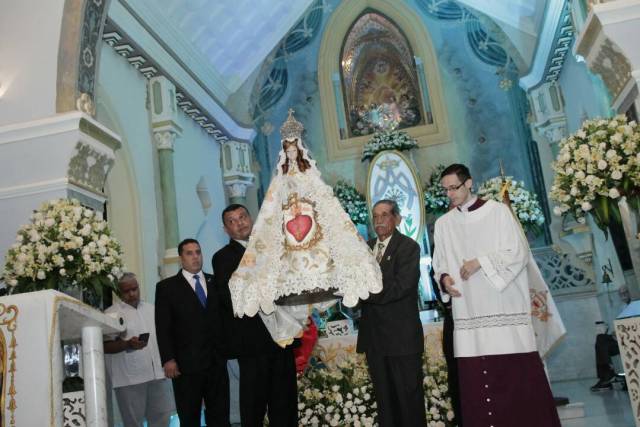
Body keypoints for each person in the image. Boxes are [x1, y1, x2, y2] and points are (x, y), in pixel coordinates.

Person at [229, 109, 381, 345]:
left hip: (308, 223)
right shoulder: (280, 179)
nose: (290, 154)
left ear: (299, 149)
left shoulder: (309, 175)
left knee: (326, 242)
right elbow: (272, 206)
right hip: (291, 225)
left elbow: (324, 199)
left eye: (293, 150)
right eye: (287, 151)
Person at [432, 163, 560, 427]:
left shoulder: (498, 212)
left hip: (503, 309)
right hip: (468, 312)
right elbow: (439, 263)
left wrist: (480, 262)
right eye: (445, 190)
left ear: (469, 183)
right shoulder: (444, 224)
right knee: (477, 387)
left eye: (454, 188)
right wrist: (444, 280)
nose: (450, 194)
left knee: (517, 386)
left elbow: (518, 253)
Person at [212, 204, 298, 427]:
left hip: (281, 338)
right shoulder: (223, 257)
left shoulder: (272, 248)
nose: (239, 223)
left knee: (285, 403)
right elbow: (228, 296)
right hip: (252, 343)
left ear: (251, 218)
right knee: (254, 406)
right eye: (232, 221)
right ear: (226, 229)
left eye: (242, 217)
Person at [356, 199, 426, 427]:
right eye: (375, 216)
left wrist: (364, 293)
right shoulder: (364, 249)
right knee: (385, 404)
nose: (379, 221)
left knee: (409, 402)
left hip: (402, 340)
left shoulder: (408, 248)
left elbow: (401, 287)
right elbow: (353, 284)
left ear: (396, 218)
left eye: (385, 215)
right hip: (375, 340)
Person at [155, 238, 229, 427]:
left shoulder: (215, 282)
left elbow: (224, 318)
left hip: (216, 363)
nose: (195, 257)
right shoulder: (167, 287)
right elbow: (163, 327)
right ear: (181, 258)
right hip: (186, 366)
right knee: (189, 417)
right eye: (189, 253)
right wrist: (168, 359)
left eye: (198, 252)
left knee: (220, 415)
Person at [104, 273, 174, 427]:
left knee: (162, 419)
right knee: (133, 423)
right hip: (130, 380)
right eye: (127, 291)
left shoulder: (152, 309)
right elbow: (105, 346)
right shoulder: (111, 314)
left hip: (157, 375)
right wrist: (127, 344)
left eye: (134, 289)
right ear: (119, 292)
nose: (132, 294)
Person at [591, 285, 631, 391]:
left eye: (625, 293)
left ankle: (607, 375)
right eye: (621, 294)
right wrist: (615, 333)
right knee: (600, 338)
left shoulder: (636, 305)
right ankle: (607, 368)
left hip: (630, 340)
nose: (623, 296)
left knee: (602, 345)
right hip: (620, 339)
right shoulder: (623, 307)